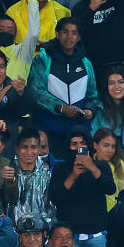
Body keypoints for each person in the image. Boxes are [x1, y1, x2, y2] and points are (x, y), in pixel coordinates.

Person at [26, 18, 100, 157]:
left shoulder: (86, 63)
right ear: (57, 34)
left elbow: (92, 95)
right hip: (48, 128)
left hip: (79, 132)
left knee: (81, 167)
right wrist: (60, 107)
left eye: (74, 33)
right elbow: (34, 91)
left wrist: (90, 110)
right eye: (65, 32)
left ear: (79, 37)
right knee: (52, 171)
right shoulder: (43, 58)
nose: (69, 37)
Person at [49, 130, 116, 247]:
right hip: (70, 237)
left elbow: (111, 189)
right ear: (68, 146)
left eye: (82, 143)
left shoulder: (101, 166)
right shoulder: (61, 168)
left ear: (88, 145)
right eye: (74, 144)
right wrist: (73, 175)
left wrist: (92, 167)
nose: (79, 147)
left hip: (96, 235)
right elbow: (55, 197)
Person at [8, 127, 56, 228]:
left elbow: (51, 210)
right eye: (25, 147)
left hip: (40, 236)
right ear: (17, 149)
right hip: (13, 235)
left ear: (39, 149)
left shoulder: (48, 177)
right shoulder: (8, 173)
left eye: (33, 147)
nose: (29, 152)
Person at [92, 127, 124, 212]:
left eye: (113, 146)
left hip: (118, 213)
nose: (110, 150)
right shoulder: (88, 165)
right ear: (95, 145)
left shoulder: (121, 165)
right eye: (106, 145)